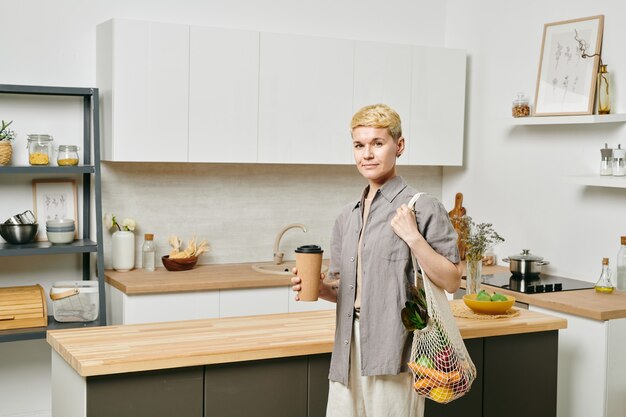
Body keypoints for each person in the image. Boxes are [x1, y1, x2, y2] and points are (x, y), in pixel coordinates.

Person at [291, 103, 462, 417]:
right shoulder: (347, 216)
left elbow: (452, 280)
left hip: (394, 349)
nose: (367, 154)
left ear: (399, 146)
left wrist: (413, 237)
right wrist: (319, 287)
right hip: (347, 349)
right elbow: (344, 288)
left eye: (377, 143)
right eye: (359, 145)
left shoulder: (421, 206)